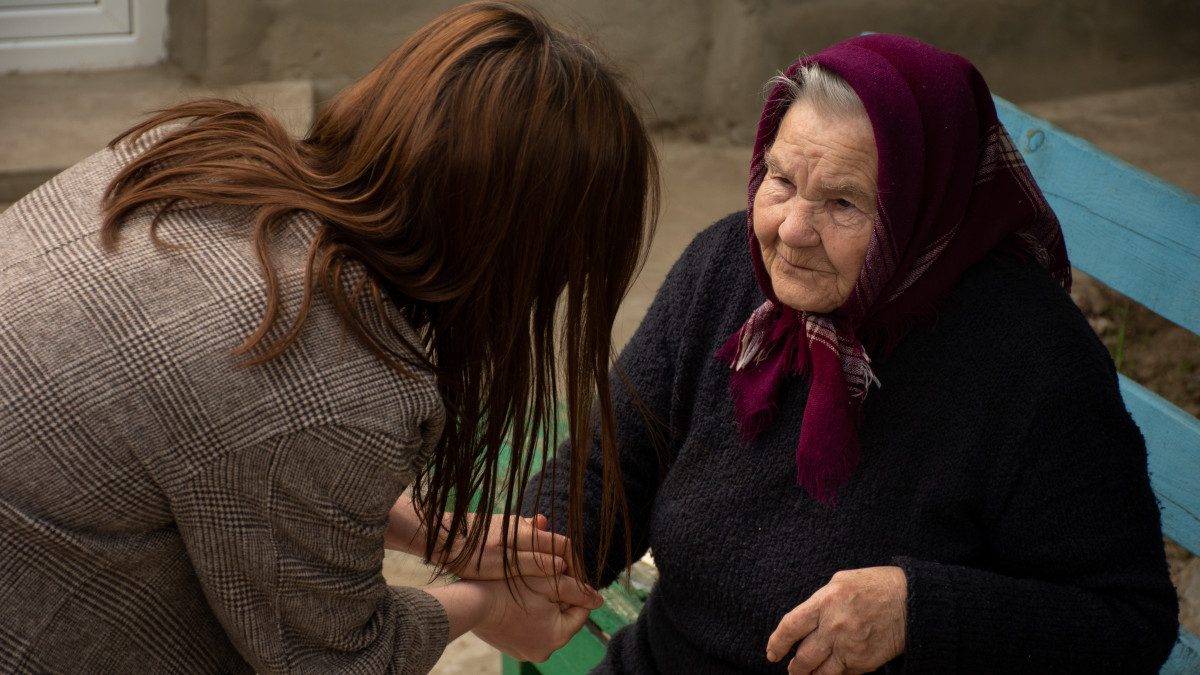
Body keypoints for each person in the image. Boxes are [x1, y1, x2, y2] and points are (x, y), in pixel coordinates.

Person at [0, 2, 658, 673]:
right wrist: (486, 608)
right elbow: (335, 658)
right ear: (519, 252)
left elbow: (222, 460)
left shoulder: (198, 154)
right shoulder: (329, 373)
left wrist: (435, 533)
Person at [523, 33, 1180, 674]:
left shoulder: (1031, 363)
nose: (792, 229)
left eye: (842, 202)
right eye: (779, 179)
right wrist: (535, 557)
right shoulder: (727, 270)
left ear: (920, 207)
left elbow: (1127, 622)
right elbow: (609, 466)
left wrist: (916, 610)